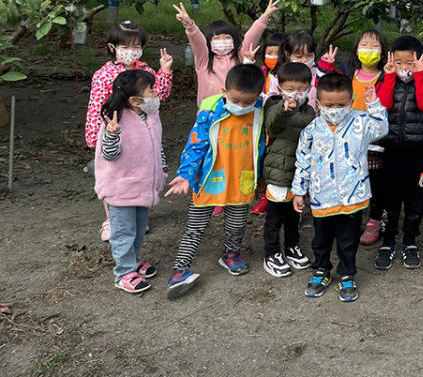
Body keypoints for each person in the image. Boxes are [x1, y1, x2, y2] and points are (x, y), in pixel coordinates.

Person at [164, 64, 267, 299]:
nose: (241, 106)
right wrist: (186, 174)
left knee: (237, 223)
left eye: (247, 101)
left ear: (257, 96)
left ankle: (230, 254)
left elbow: (261, 145)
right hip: (210, 180)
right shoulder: (211, 111)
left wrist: (261, 177)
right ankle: (180, 269)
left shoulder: (260, 111)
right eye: (236, 100)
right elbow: (196, 145)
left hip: (242, 179)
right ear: (224, 91)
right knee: (195, 227)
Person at [292, 74, 388, 302]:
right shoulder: (312, 129)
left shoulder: (361, 122)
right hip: (321, 196)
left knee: (348, 240)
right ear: (318, 104)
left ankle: (347, 274)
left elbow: (381, 128)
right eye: (329, 105)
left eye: (341, 105)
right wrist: (298, 190)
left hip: (352, 197)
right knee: (321, 239)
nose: (335, 109)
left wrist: (374, 104)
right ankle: (321, 271)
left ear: (351, 101)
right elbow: (302, 160)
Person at [85, 21, 173, 241]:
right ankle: (111, 219)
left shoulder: (145, 70)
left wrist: (164, 70)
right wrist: (96, 134)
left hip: (141, 132)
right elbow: (97, 105)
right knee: (114, 174)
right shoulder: (104, 74)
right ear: (113, 47)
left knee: (139, 172)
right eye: (125, 46)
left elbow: (159, 93)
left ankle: (137, 216)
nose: (131, 51)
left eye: (135, 46)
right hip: (116, 131)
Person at [317, 29, 393, 247]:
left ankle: (375, 217)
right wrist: (326, 69)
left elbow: (386, 105)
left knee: (376, 181)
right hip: (347, 139)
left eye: (374, 46)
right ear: (356, 49)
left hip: (373, 141)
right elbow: (328, 91)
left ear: (382, 51)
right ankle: (353, 216)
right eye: (364, 44)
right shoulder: (349, 73)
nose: (368, 49)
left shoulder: (385, 76)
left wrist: (388, 77)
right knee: (350, 177)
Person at [94, 70, 165, 294]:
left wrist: (162, 170)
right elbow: (109, 155)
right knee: (123, 233)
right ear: (135, 100)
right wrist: (112, 134)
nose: (156, 94)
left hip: (143, 187)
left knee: (137, 230)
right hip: (122, 189)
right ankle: (123, 273)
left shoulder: (150, 116)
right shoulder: (116, 122)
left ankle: (134, 262)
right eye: (151, 91)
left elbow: (157, 147)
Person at [374, 36, 423, 271]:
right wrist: (389, 77)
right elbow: (383, 105)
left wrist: (419, 75)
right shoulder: (385, 80)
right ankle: (389, 241)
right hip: (391, 150)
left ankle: (410, 241)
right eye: (398, 62)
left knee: (415, 199)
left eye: (408, 63)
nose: (403, 67)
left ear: (420, 61)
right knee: (390, 199)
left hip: (417, 152)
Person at [261, 62, 315, 278]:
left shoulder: (309, 110)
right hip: (277, 171)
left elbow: (310, 130)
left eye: (302, 89)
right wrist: (285, 110)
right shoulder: (274, 104)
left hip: (298, 174)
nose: (296, 94)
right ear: (281, 87)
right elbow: (272, 125)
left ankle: (292, 247)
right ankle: (271, 253)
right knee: (274, 217)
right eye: (291, 89)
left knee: (295, 216)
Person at [174, 0, 278, 107]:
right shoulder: (204, 59)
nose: (222, 41)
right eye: (217, 38)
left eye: (227, 37)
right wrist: (189, 24)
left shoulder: (240, 56)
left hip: (237, 108)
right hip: (209, 111)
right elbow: (197, 40)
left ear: (234, 39)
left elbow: (251, 38)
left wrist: (265, 17)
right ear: (209, 41)